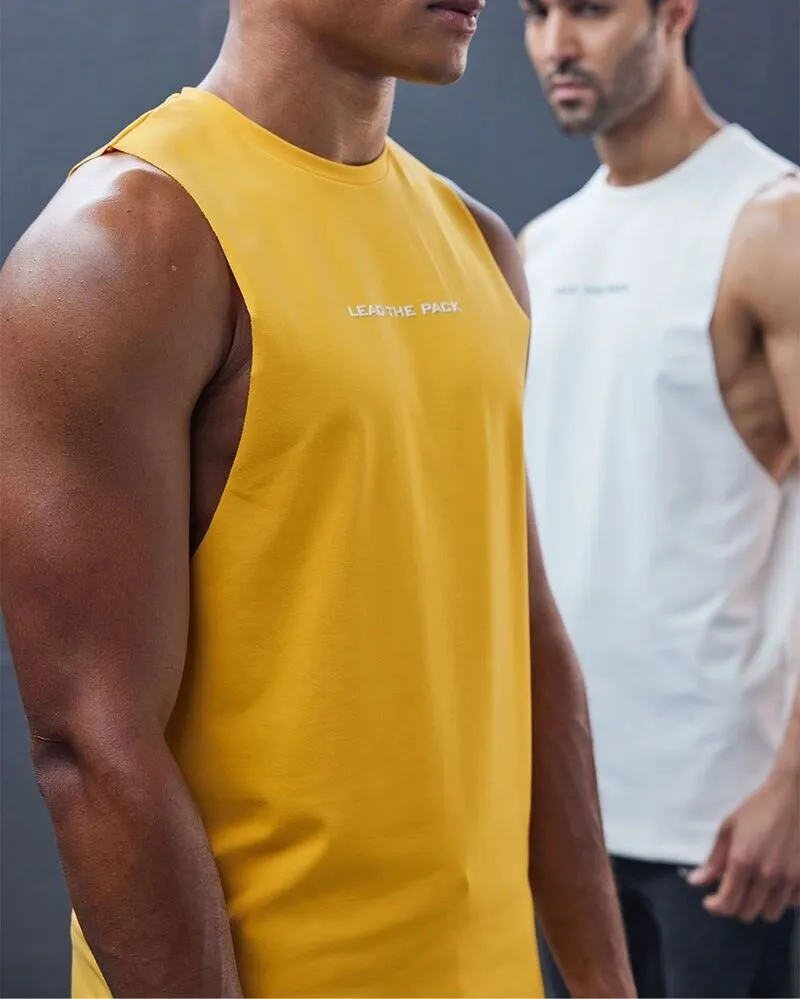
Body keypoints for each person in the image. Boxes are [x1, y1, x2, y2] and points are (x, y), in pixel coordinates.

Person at [0, 1, 639, 997]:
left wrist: (604, 981)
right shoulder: (121, 248)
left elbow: (527, 641)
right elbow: (91, 742)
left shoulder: (479, 245)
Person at [518, 0, 800, 995]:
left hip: (722, 833)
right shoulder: (537, 251)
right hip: (563, 813)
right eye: (535, 11)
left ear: (672, 13)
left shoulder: (770, 224)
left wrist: (792, 789)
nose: (556, 42)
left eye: (589, 9)